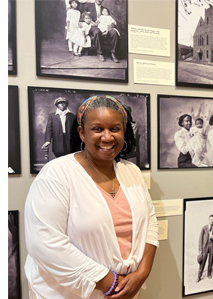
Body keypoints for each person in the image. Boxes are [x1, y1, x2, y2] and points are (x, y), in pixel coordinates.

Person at [25, 95, 158, 299]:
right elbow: (44, 243)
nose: (107, 137)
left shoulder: (131, 172)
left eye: (115, 129)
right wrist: (109, 282)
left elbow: (149, 222)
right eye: (97, 129)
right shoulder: (56, 175)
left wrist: (142, 273)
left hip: (126, 292)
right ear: (82, 133)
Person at [198, 215, 213, 282]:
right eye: (211, 219)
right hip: (205, 246)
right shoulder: (204, 228)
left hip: (212, 245)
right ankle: (199, 276)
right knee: (202, 261)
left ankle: (209, 273)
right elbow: (200, 239)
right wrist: (200, 249)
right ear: (208, 220)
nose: (212, 221)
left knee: (211, 260)